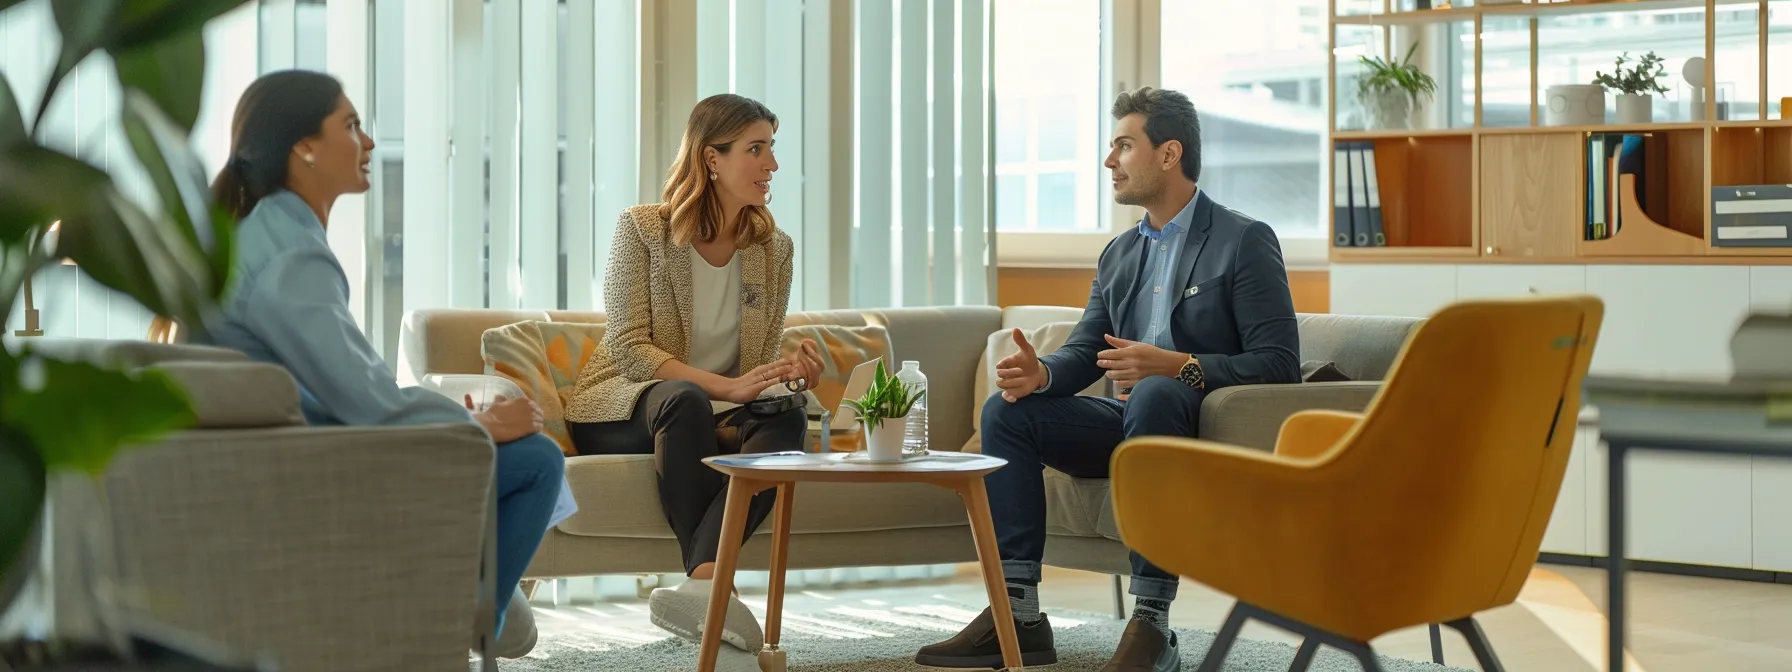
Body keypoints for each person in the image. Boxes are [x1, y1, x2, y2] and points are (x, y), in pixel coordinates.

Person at [917, 86, 1301, 671]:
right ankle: (1016, 614)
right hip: (1130, 424)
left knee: (1154, 392)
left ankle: (1151, 625)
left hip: (1194, 428)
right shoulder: (1119, 254)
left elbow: (1278, 363)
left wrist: (1177, 366)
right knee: (1006, 411)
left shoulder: (1242, 240)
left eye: (1124, 145)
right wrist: (1042, 373)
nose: (1109, 161)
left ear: (1168, 154)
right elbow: (1085, 351)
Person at [192, 70, 566, 659]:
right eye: (351, 125)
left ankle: (471, 598)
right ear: (304, 147)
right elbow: (364, 400)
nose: (368, 143)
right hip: (316, 472)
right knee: (538, 460)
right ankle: (464, 620)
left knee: (494, 450)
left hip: (295, 451)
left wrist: (450, 419)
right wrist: (480, 426)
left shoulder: (261, 232)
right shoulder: (291, 255)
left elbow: (342, 384)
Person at [564, 93, 823, 665]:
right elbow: (631, 348)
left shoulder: (773, 249)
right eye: (756, 149)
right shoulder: (641, 231)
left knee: (786, 415)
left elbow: (756, 352)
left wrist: (791, 372)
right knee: (682, 398)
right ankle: (713, 584)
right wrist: (726, 388)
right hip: (627, 407)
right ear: (712, 157)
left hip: (716, 412)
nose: (771, 165)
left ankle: (702, 586)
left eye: (771, 149)